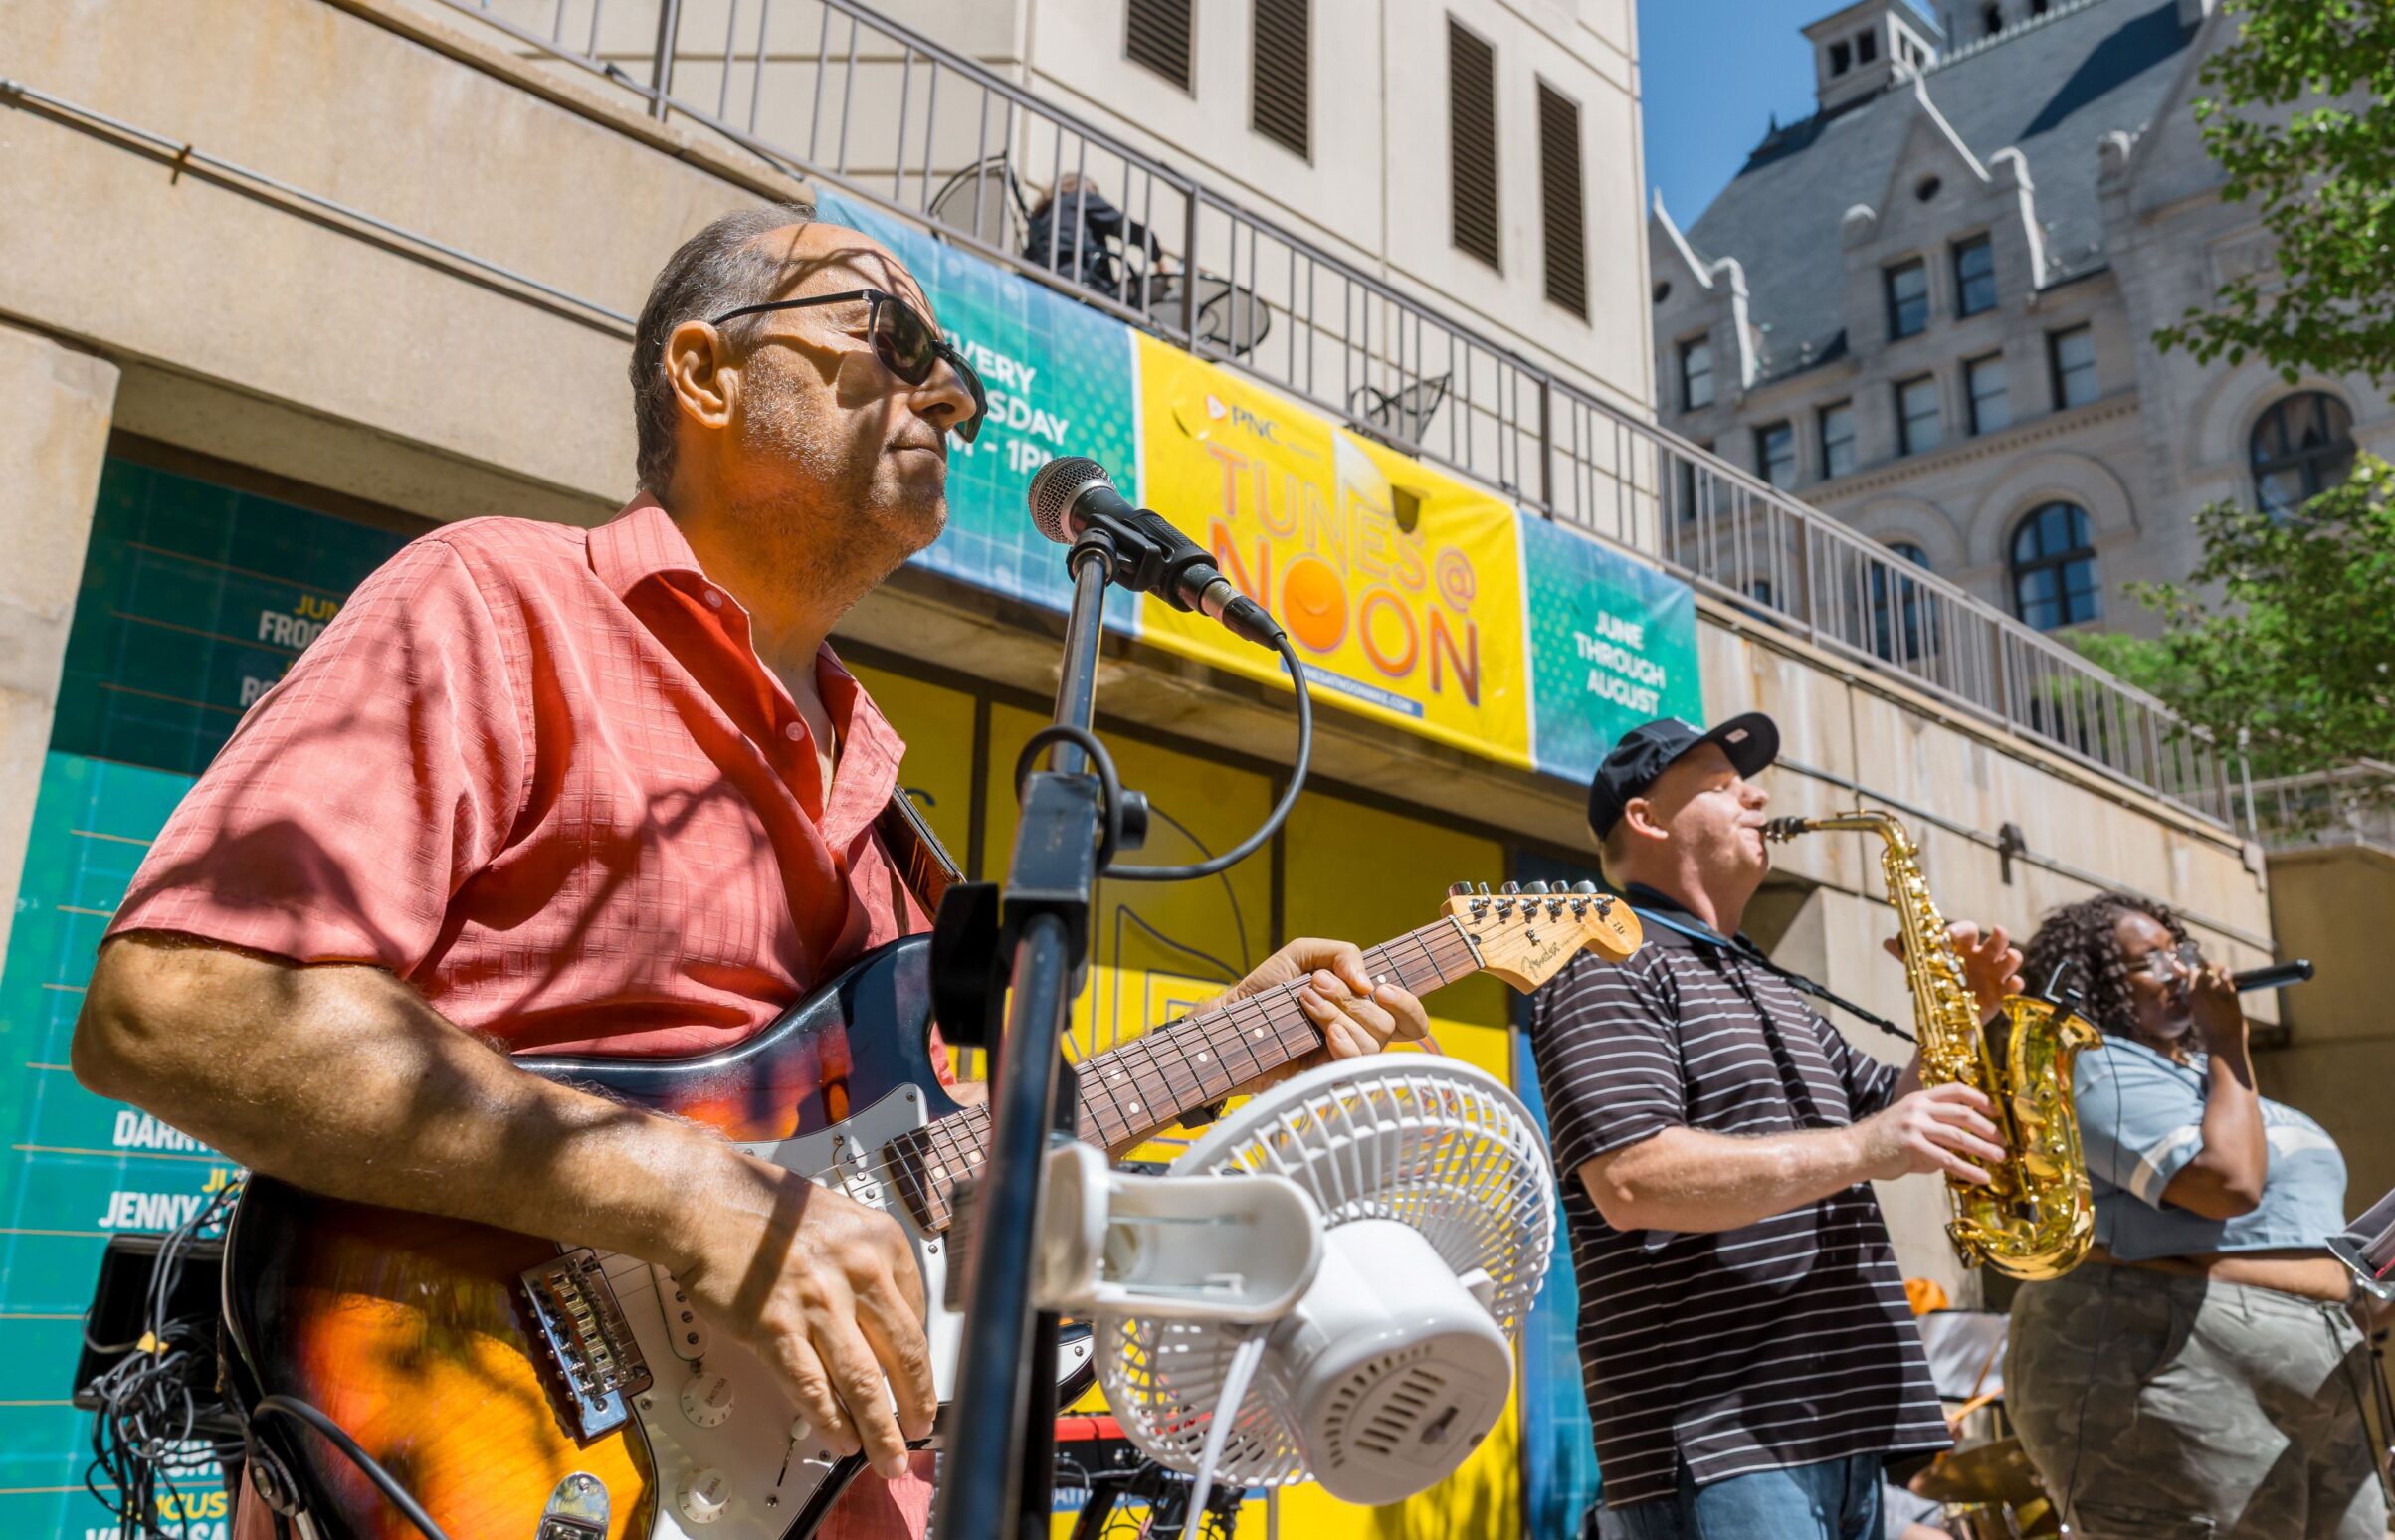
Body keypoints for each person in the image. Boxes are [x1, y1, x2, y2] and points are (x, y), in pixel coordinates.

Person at [68, 205, 1430, 1539]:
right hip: (496, 1459)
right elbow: (180, 999)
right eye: (886, 331)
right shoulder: (497, 602)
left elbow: (945, 1181)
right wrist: (691, 1193)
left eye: (947, 366)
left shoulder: (886, 804)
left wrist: (1242, 1052)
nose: (945, 389)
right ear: (706, 370)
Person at [1533, 714, 2026, 1540]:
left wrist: (1963, 1017)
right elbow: (1632, 1180)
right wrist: (1869, 1145)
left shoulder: (1761, 979)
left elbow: (1899, 1112)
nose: (1758, 794)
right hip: (1716, 1436)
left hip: (1836, 1426)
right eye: (1722, 785)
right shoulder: (1605, 958)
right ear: (1648, 819)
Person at [2002, 892, 2386, 1539]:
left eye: (2182, 950)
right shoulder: (2094, 1066)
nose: (2181, 970)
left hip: (2321, 1386)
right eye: (2150, 963)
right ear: (2099, 980)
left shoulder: (2201, 1081)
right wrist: (2228, 1042)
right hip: (2176, 1372)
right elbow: (2227, 1184)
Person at [1024, 171, 1162, 300]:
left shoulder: (1042, 217)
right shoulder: (1080, 198)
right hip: (1080, 283)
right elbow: (1124, 227)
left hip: (1042, 284)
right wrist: (1156, 254)